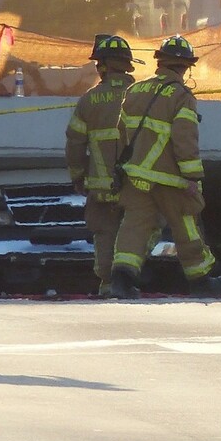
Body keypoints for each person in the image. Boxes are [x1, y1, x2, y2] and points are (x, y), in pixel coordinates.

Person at [109, 35, 221, 298]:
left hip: (135, 175)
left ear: (160, 62)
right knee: (186, 226)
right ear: (186, 66)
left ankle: (121, 279)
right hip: (170, 179)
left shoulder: (135, 91)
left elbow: (122, 134)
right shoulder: (181, 95)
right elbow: (185, 138)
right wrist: (192, 177)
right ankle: (201, 281)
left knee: (134, 226)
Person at [66, 34, 144, 296]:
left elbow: (75, 143)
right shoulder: (142, 97)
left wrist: (78, 176)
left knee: (105, 232)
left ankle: (108, 284)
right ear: (127, 65)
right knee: (135, 229)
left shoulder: (89, 100)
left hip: (101, 185)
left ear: (101, 66)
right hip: (137, 183)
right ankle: (128, 280)